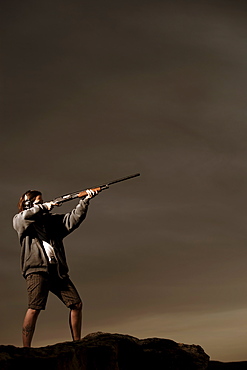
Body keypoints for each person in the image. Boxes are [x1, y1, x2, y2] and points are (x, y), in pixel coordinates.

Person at [13, 188, 98, 347]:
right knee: (34, 308)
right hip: (37, 270)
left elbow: (72, 220)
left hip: (56, 271)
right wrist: (44, 207)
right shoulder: (22, 222)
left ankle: (77, 343)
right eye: (38, 202)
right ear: (28, 204)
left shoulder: (50, 222)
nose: (43, 204)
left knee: (76, 304)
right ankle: (26, 350)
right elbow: (22, 218)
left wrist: (85, 201)